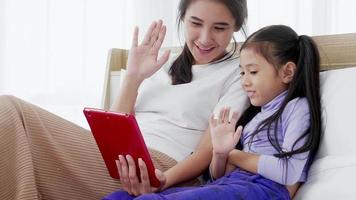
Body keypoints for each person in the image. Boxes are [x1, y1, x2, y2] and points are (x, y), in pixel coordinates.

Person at [0, 0, 248, 199]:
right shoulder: (161, 62)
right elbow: (112, 129)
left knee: (10, 110)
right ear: (182, 19)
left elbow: (209, 149)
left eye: (219, 28)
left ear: (236, 26)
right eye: (196, 23)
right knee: (15, 147)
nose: (205, 38)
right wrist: (133, 77)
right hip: (118, 158)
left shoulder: (239, 72)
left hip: (161, 167)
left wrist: (162, 180)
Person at [104, 25, 322, 200]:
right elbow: (221, 175)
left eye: (253, 72)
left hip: (265, 190)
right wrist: (219, 153)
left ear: (288, 72)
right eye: (242, 72)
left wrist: (233, 154)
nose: (244, 81)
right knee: (122, 196)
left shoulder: (297, 108)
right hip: (231, 183)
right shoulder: (256, 118)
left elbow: (288, 172)